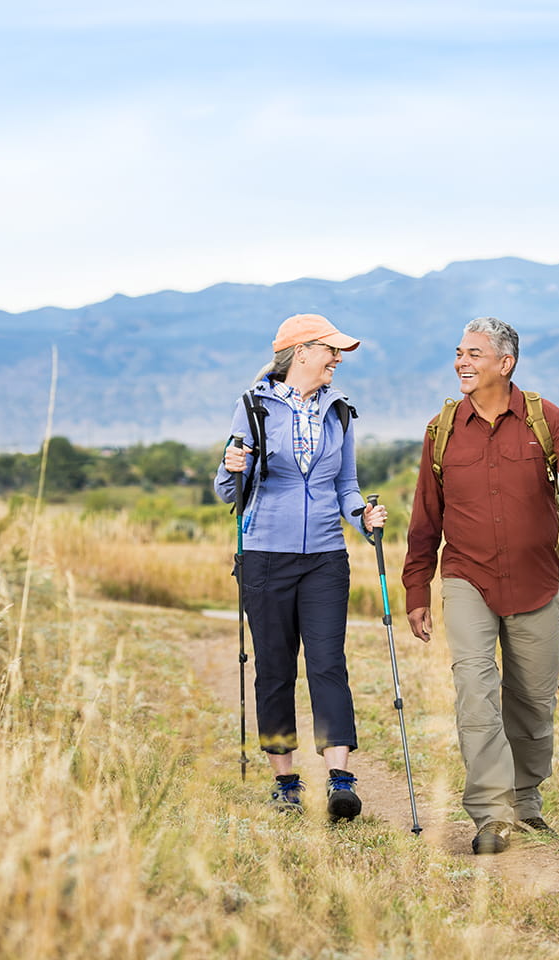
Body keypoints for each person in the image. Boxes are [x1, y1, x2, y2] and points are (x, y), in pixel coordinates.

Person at [402, 316, 559, 854]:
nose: (461, 363)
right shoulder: (441, 430)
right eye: (458, 353)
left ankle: (525, 801)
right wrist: (416, 588)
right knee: (476, 691)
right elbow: (426, 514)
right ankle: (491, 815)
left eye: (473, 354)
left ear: (505, 362)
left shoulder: (545, 418)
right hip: (467, 577)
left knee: (533, 702)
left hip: (537, 581)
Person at [215, 313, 388, 821]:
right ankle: (285, 781)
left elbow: (346, 487)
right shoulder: (254, 407)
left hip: (326, 559)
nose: (338, 359)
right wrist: (230, 469)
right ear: (303, 352)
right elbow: (229, 491)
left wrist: (363, 517)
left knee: (328, 664)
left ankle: (340, 779)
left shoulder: (339, 413)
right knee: (274, 669)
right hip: (266, 554)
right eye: (331, 350)